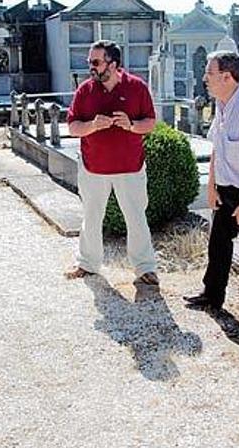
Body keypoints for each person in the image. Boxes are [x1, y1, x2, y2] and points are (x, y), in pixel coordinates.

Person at [183, 50, 239, 341]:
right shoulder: (222, 105)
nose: (204, 79)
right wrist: (211, 186)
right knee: (218, 244)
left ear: (227, 76)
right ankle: (212, 295)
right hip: (226, 188)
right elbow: (218, 151)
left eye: (209, 73)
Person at [64, 40, 160, 286]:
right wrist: (93, 126)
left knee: (136, 218)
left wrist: (131, 125)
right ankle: (87, 264)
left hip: (131, 168)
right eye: (90, 62)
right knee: (91, 217)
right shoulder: (85, 91)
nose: (91, 67)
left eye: (95, 62)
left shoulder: (137, 88)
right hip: (93, 168)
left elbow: (150, 122)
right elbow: (73, 127)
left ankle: (145, 268)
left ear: (113, 64)